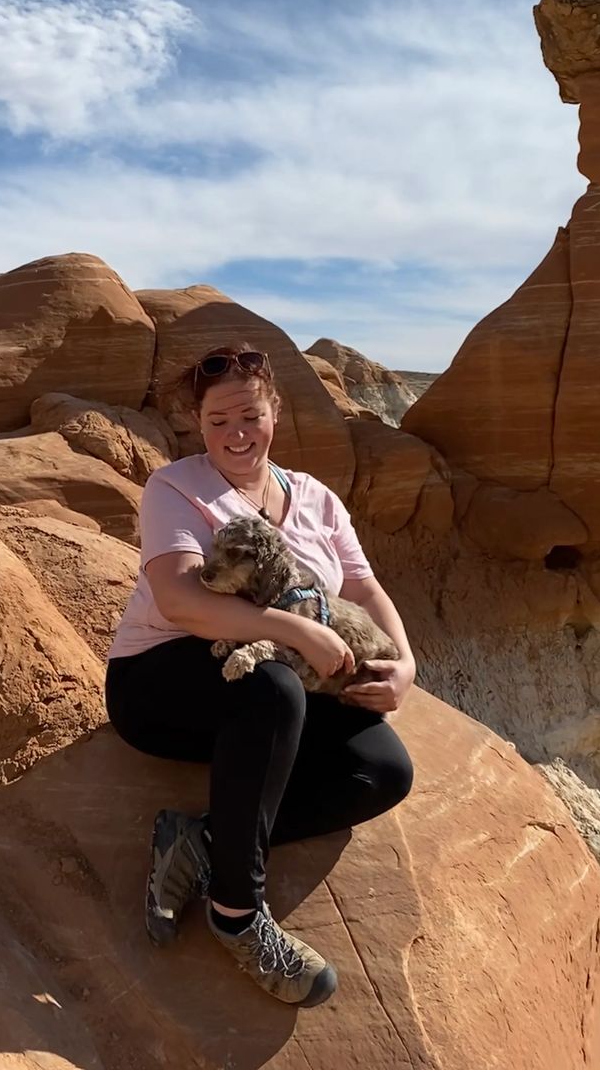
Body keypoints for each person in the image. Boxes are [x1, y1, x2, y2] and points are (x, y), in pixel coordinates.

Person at [104, 343, 417, 1008]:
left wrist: (405, 662)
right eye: (218, 421)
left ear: (275, 412)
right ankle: (237, 914)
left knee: (383, 769)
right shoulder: (179, 488)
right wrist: (293, 628)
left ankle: (202, 838)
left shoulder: (316, 499)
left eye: (249, 415)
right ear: (198, 425)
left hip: (282, 680)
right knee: (271, 689)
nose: (235, 434)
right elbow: (180, 600)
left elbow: (362, 585)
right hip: (162, 679)